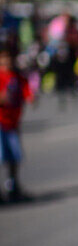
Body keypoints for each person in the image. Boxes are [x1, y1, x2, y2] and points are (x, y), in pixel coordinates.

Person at [0, 34, 33, 202]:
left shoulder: (17, 77)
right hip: (1, 122)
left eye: (9, 57)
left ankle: (13, 185)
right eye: (3, 58)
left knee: (14, 157)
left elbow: (27, 90)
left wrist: (31, 96)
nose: (7, 61)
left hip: (13, 123)